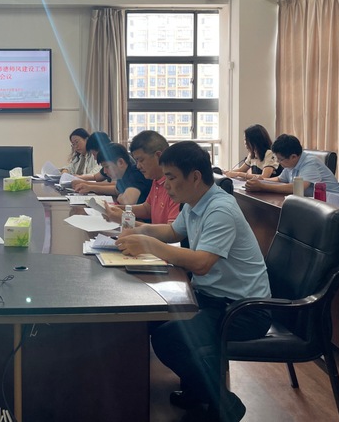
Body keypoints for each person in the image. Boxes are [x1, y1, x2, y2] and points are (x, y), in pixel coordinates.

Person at [115, 141, 270, 422]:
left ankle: (225, 404)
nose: (166, 185)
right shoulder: (196, 202)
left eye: (171, 177)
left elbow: (201, 263)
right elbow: (172, 232)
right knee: (151, 320)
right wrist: (137, 230)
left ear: (195, 176)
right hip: (212, 298)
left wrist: (149, 245)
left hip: (243, 310)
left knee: (170, 338)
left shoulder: (220, 209)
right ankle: (197, 391)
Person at [104, 130, 180, 225]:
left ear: (158, 156)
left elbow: (170, 231)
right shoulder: (156, 179)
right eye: (136, 161)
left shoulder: (175, 185)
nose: (138, 166)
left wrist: (125, 219)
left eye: (141, 160)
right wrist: (117, 209)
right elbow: (147, 209)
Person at [244, 134, 339, 195]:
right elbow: (280, 179)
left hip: (333, 205)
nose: (278, 162)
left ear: (293, 156)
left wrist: (262, 187)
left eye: (280, 160)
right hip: (313, 202)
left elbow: (297, 188)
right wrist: (262, 180)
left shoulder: (310, 162)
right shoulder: (291, 163)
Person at [83, 142, 151, 205]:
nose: (105, 171)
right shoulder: (123, 174)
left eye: (107, 166)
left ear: (120, 162)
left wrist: (121, 197)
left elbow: (127, 201)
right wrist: (90, 188)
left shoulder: (135, 174)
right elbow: (116, 190)